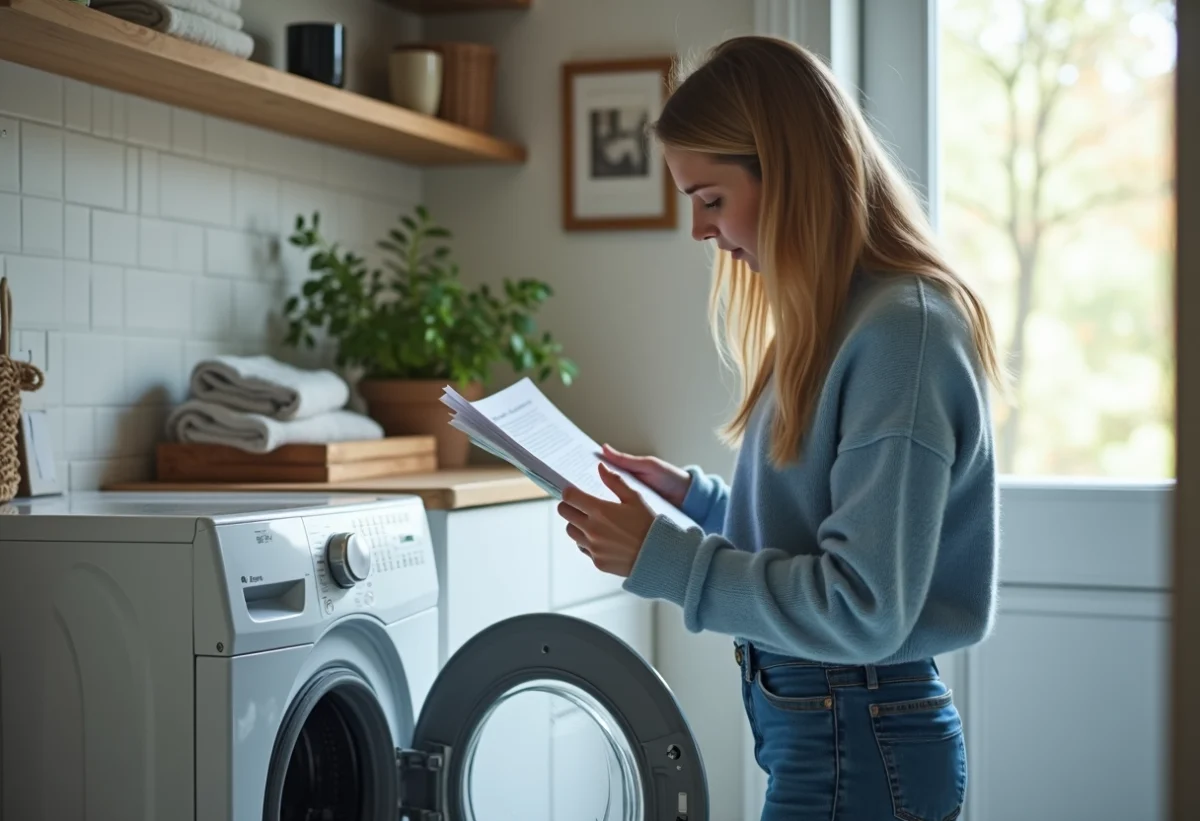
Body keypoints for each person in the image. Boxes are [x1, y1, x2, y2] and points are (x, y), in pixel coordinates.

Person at [555, 34, 1004, 821]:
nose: (700, 231)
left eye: (710, 199)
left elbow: (862, 604)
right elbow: (829, 531)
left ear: (789, 174)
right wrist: (693, 500)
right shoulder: (843, 324)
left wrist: (670, 560)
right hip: (832, 730)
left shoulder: (904, 333)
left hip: (859, 739)